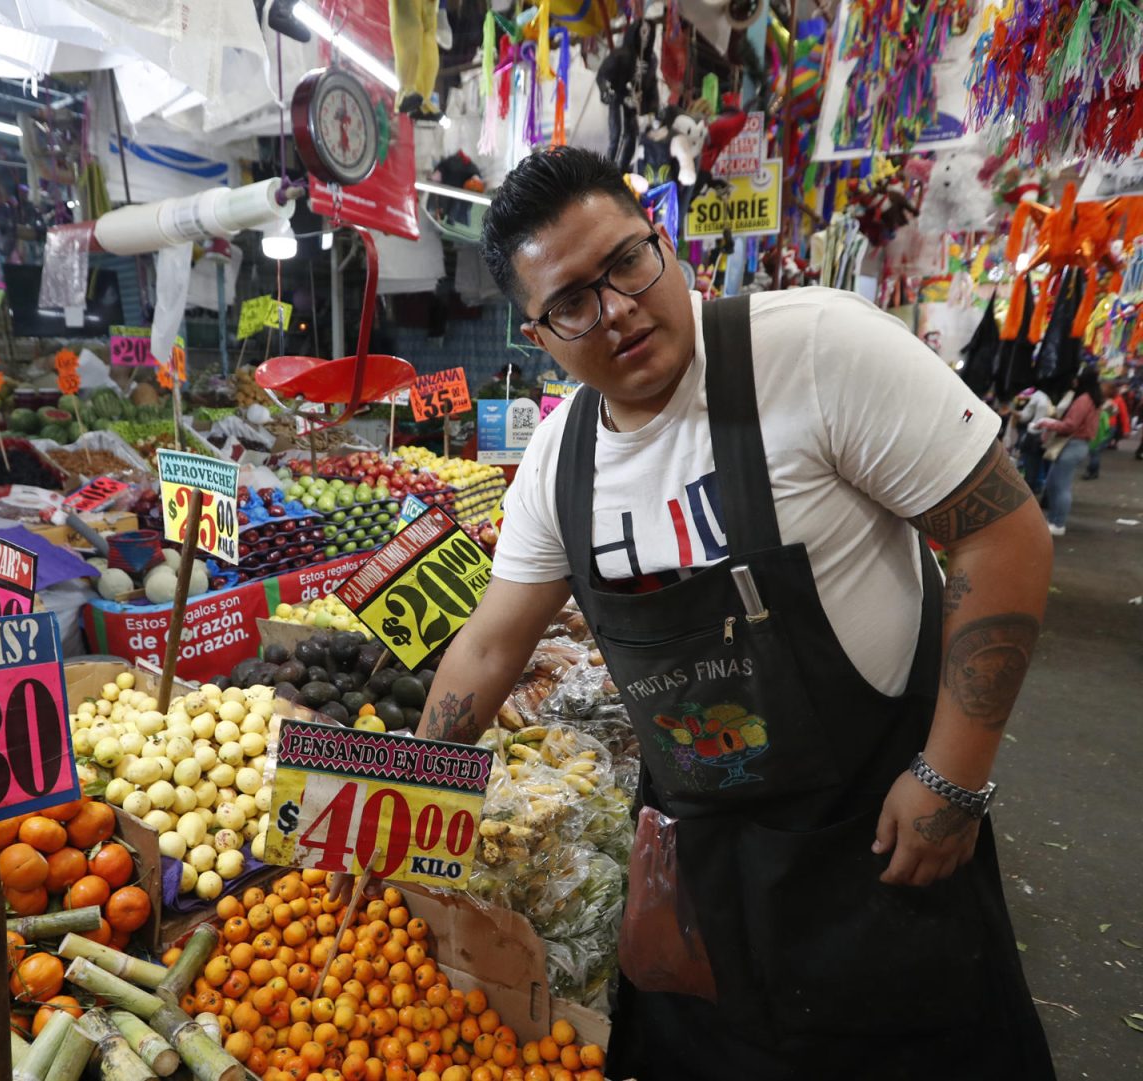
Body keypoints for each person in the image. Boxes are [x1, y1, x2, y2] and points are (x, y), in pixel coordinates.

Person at [419, 147, 1055, 1080]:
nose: (619, 309)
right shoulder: (560, 465)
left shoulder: (817, 351)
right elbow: (487, 643)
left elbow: (1003, 535)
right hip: (703, 875)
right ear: (537, 336)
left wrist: (954, 779)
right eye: (571, 302)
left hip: (876, 840)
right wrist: (392, 794)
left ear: (663, 243)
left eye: (628, 262)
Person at [1033, 367, 1105, 534]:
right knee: (1054, 483)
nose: (1074, 381)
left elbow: (1070, 425)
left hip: (1072, 444)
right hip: (1077, 445)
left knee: (1060, 485)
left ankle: (1058, 523)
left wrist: (1046, 423)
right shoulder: (1094, 400)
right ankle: (1054, 520)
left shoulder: (1083, 399)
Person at [1013, 384, 1055, 493]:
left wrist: (1013, 412)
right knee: (1048, 470)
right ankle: (1042, 491)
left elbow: (1025, 416)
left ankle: (1028, 494)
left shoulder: (1037, 395)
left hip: (1035, 435)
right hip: (1054, 436)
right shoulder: (1069, 395)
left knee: (1031, 469)